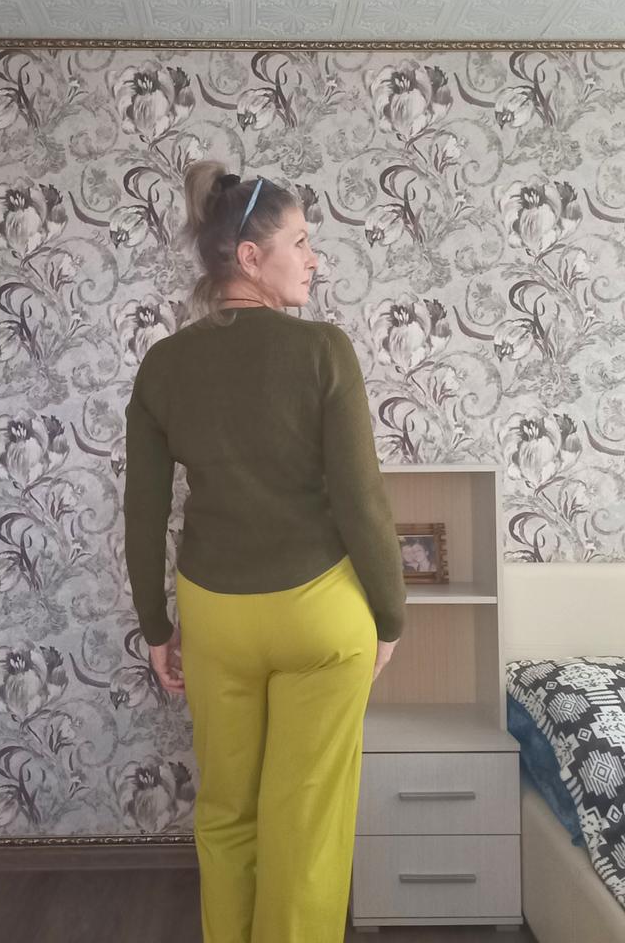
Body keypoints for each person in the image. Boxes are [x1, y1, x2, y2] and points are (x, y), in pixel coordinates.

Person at [124, 161, 407, 943]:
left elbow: (143, 513)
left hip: (216, 619)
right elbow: (362, 501)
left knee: (226, 814)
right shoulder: (323, 350)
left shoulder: (164, 365)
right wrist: (390, 618)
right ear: (250, 257)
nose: (314, 258)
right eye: (301, 241)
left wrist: (156, 629)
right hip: (321, 619)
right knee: (304, 824)